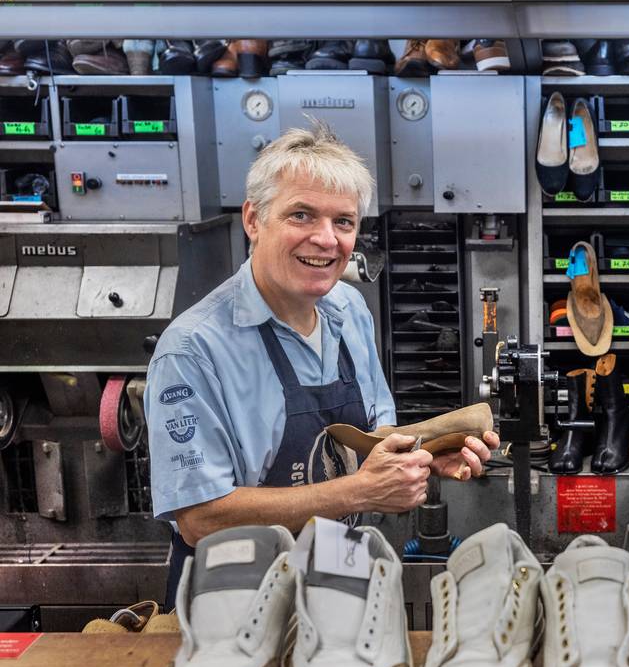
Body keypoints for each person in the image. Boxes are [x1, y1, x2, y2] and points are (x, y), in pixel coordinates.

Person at [146, 123, 497, 603]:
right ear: (253, 219)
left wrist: (424, 458)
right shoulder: (193, 350)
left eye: (344, 222)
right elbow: (200, 518)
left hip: (339, 578)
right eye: (302, 215)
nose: (326, 240)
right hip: (235, 600)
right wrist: (360, 492)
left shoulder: (348, 309)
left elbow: (370, 439)